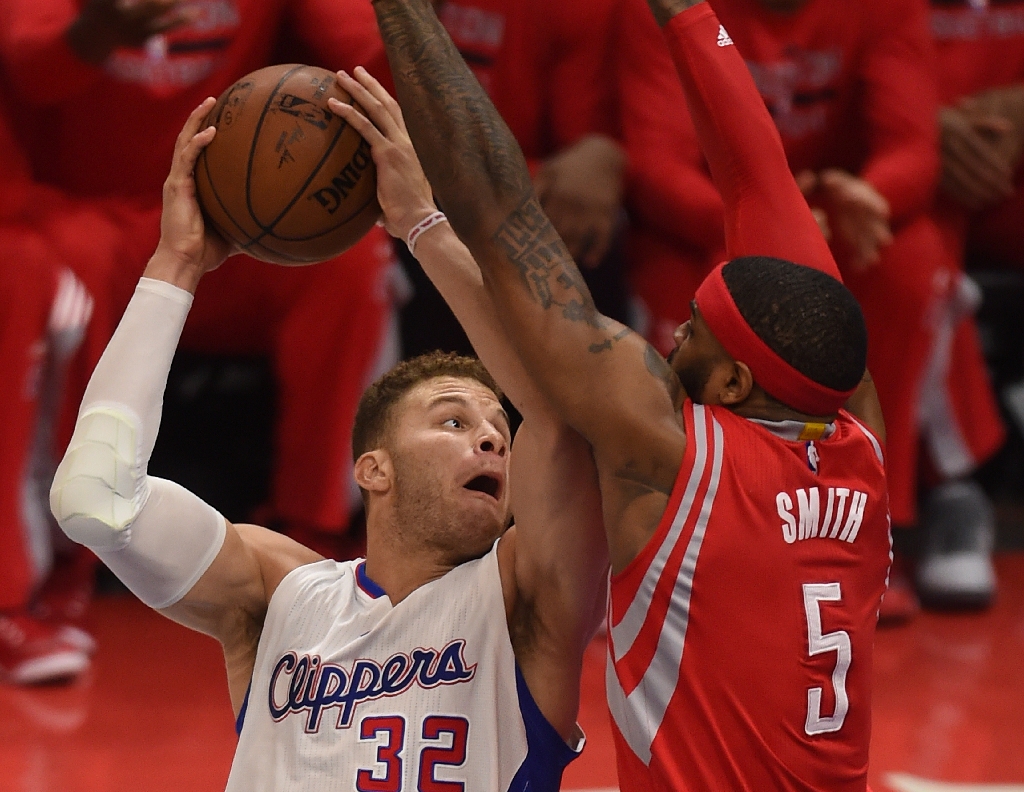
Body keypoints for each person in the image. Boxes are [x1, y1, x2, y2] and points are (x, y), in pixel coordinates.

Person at [368, 0, 891, 787]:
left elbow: (498, 205)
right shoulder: (859, 437)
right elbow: (760, 175)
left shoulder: (675, 450)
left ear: (735, 382)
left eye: (694, 330)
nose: (674, 336)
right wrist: (686, 16)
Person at [49, 94, 608, 789]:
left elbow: (558, 415)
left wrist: (423, 225)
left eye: (498, 428)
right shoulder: (278, 593)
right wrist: (177, 264)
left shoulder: (526, 596)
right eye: (454, 421)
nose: (492, 441)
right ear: (374, 469)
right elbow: (97, 500)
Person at [618, 0, 1005, 617]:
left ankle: (888, 527)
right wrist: (773, 222)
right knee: (700, 281)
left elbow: (911, 145)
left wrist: (872, 195)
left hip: (834, 207)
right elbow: (657, 165)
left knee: (911, 256)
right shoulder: (664, 13)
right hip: (718, 219)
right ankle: (693, 530)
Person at [0, 0, 397, 557]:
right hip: (91, 221)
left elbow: (370, 53)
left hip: (227, 219)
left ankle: (315, 534)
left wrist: (416, 22)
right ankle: (52, 557)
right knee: (37, 267)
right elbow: (28, 71)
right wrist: (98, 31)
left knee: (353, 263)